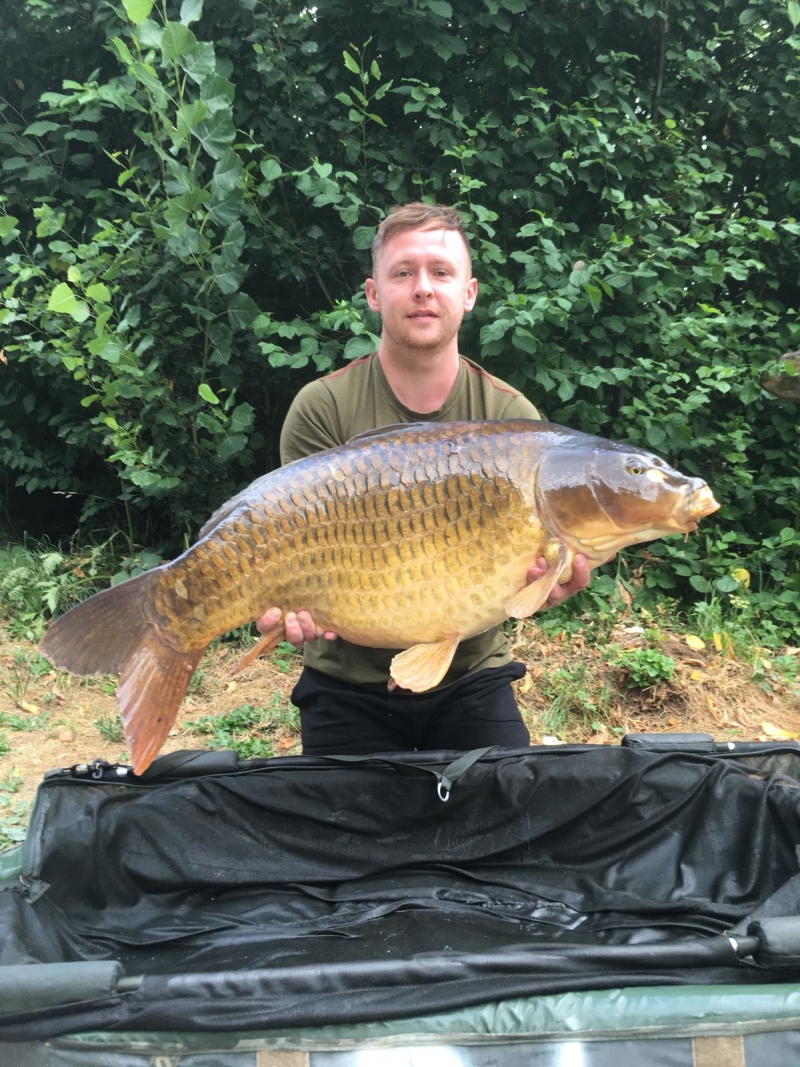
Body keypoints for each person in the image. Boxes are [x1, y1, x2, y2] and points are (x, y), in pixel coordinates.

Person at [256, 202, 592, 755]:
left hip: (470, 676)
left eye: (441, 272)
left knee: (507, 819)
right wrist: (283, 601)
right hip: (344, 681)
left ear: (469, 293)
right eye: (403, 272)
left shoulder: (514, 421)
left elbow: (522, 584)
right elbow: (288, 540)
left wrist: (544, 588)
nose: (422, 288)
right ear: (373, 293)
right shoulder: (321, 408)